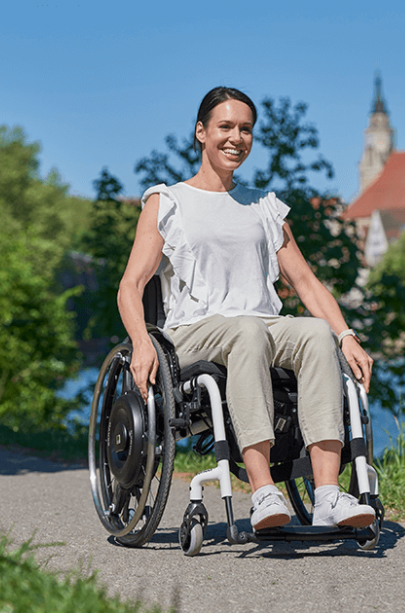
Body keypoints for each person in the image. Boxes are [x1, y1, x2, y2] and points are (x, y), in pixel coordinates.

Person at [117, 86, 375, 531]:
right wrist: (141, 341)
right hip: (194, 331)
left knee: (316, 334)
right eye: (225, 127)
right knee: (246, 331)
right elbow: (131, 284)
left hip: (260, 324)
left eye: (246, 129)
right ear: (201, 132)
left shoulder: (264, 205)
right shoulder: (168, 202)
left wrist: (346, 335)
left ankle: (329, 494)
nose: (236, 137)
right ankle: (261, 491)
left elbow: (308, 284)